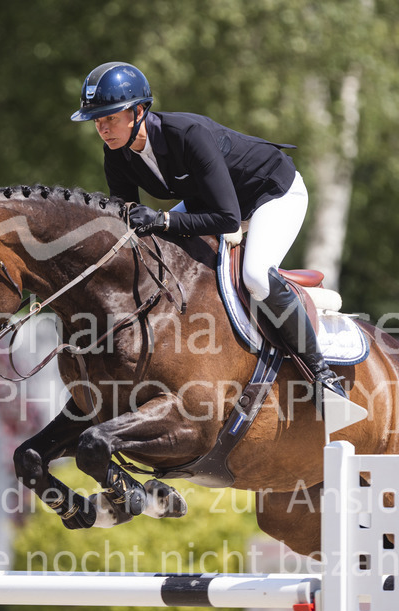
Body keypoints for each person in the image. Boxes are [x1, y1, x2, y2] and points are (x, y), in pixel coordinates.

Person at [70, 61, 347, 400]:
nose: (103, 128)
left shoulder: (187, 134)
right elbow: (128, 220)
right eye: (97, 121)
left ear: (139, 111)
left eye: (110, 118)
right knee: (152, 247)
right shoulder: (116, 153)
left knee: (256, 276)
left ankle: (321, 374)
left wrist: (163, 220)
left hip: (271, 193)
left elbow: (228, 220)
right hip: (211, 201)